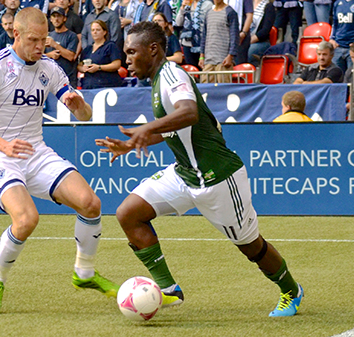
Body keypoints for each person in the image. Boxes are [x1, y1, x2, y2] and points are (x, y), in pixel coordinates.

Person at [96, 20, 303, 318]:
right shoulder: (157, 80)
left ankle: (291, 291)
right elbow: (174, 129)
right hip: (184, 174)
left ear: (153, 49)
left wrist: (146, 127)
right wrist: (132, 144)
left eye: (131, 51)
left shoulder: (172, 74)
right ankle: (169, 291)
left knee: (250, 246)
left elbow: (189, 113)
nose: (127, 59)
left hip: (218, 177)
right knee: (128, 213)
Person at [0, 7, 119, 316]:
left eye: (44, 40)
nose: (40, 46)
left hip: (36, 152)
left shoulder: (49, 67)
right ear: (16, 35)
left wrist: (80, 107)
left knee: (91, 203)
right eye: (33, 40)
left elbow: (84, 116)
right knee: (26, 220)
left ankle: (85, 273)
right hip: (0, 156)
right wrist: (4, 145)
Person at [199, 0, 238, 83]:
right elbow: (204, 36)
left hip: (223, 60)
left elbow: (234, 36)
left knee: (223, 89)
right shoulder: (209, 13)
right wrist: (202, 56)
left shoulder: (230, 12)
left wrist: (230, 55)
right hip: (208, 60)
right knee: (206, 89)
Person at [78, 19, 122, 88]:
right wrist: (83, 68)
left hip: (107, 85)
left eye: (98, 30)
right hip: (88, 86)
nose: (95, 32)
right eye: (93, 30)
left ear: (104, 32)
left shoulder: (110, 46)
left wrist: (99, 67)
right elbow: (79, 65)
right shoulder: (87, 49)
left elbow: (116, 64)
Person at [46, 6, 79, 86]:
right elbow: (39, 56)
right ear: (50, 19)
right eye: (54, 16)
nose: (56, 19)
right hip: (51, 79)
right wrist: (49, 55)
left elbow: (71, 56)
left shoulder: (72, 36)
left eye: (59, 16)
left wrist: (55, 45)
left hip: (68, 79)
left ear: (64, 18)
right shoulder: (48, 36)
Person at [176, 0, 213, 68]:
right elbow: (178, 23)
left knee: (203, 68)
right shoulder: (188, 4)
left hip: (202, 42)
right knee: (191, 69)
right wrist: (182, 7)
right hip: (187, 43)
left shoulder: (208, 4)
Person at [329, 0, 354, 74]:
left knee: (352, 76)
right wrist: (332, 38)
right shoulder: (337, 3)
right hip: (338, 46)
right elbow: (335, 23)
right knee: (337, 76)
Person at [247, 0, 275, 67]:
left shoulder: (269, 6)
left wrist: (248, 41)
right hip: (245, 39)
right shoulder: (247, 4)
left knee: (248, 51)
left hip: (261, 42)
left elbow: (265, 31)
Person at [225, 0, 253, 65]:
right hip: (224, 35)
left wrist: (243, 33)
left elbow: (249, 15)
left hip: (240, 36)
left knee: (238, 65)